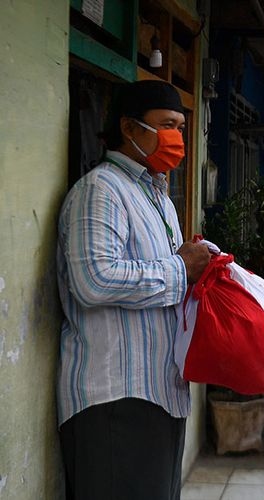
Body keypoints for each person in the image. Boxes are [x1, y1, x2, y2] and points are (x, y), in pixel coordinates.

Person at [57, 80, 210, 500]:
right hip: (116, 397)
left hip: (157, 391)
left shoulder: (156, 193)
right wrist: (182, 268)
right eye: (166, 125)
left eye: (180, 126)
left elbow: (165, 272)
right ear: (129, 127)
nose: (176, 138)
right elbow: (95, 280)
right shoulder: (101, 190)